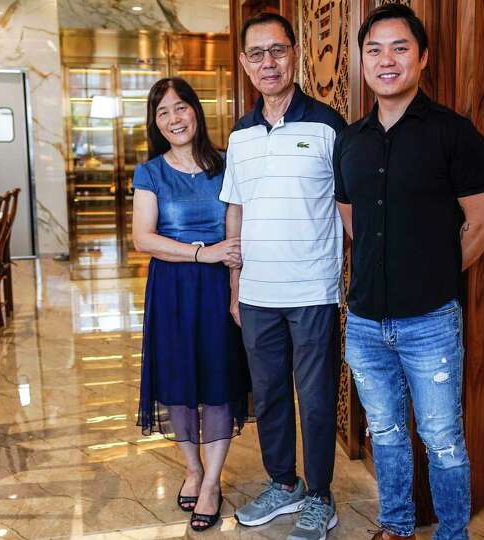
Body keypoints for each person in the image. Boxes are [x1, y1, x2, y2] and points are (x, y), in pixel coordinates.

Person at [333, 5, 484, 540]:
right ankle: (397, 525)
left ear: (423, 58)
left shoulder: (455, 133)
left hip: (430, 320)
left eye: (400, 48)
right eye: (375, 49)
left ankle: (453, 534)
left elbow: (483, 223)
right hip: (363, 322)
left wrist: (432, 274)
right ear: (362, 61)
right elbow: (351, 218)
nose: (387, 60)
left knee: (443, 436)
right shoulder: (351, 140)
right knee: (384, 430)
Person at [220, 12, 346, 540]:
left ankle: (320, 496)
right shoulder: (240, 134)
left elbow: (348, 208)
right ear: (246, 65)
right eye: (257, 54)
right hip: (256, 293)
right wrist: (234, 285)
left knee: (316, 398)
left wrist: (351, 280)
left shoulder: (328, 125)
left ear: (294, 55)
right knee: (269, 394)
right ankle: (283, 483)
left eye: (277, 51)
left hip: (313, 288)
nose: (268, 62)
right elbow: (236, 211)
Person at [132, 77, 250, 533]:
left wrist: (236, 288)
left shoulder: (226, 164)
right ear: (155, 123)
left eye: (180, 108)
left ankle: (213, 480)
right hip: (172, 290)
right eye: (163, 112)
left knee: (218, 382)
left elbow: (236, 235)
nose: (174, 118)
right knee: (179, 382)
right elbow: (143, 238)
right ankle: (193, 467)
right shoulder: (150, 172)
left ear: (195, 112)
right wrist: (204, 252)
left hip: (218, 288)